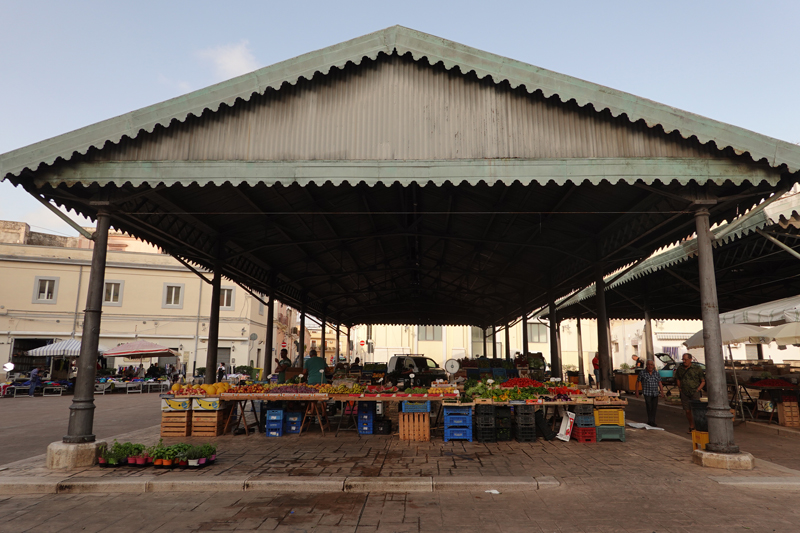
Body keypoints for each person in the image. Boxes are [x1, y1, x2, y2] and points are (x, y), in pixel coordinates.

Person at [675, 353, 706, 433]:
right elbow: (677, 378)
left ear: (690, 359)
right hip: (684, 392)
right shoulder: (680, 369)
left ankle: (698, 426)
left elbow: (703, 381)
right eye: (683, 359)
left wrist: (698, 389)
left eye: (686, 359)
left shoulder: (697, 368)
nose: (684, 361)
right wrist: (680, 388)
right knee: (687, 410)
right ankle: (691, 426)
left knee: (696, 410)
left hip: (694, 392)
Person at [635, 359, 664, 427]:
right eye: (648, 364)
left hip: (655, 393)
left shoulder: (656, 373)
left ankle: (652, 421)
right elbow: (637, 382)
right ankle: (650, 420)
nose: (650, 366)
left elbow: (659, 383)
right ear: (646, 365)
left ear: (653, 366)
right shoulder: (642, 373)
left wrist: (662, 391)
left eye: (651, 365)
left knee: (654, 407)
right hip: (647, 392)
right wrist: (637, 391)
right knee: (649, 406)